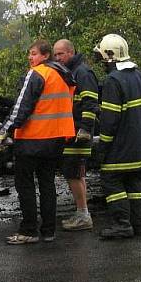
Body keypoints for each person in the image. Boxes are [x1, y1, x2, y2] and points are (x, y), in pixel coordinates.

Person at [0, 40, 75, 244]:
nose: (30, 58)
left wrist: (4, 131)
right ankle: (49, 231)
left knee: (25, 185)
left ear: (45, 55)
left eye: (33, 54)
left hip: (32, 140)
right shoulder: (64, 75)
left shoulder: (37, 73)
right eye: (29, 54)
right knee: (47, 184)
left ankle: (29, 230)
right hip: (55, 140)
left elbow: (21, 107)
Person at [94, 33, 141, 239]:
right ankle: (137, 225)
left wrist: (103, 147)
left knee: (111, 180)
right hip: (140, 145)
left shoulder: (113, 80)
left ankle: (121, 224)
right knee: (133, 182)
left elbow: (110, 120)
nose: (101, 61)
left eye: (102, 56)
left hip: (121, 146)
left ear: (110, 56)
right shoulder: (138, 75)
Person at [52, 39, 99, 231]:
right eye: (55, 55)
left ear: (71, 52)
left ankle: (83, 215)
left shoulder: (82, 72)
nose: (57, 58)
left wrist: (85, 129)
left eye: (60, 54)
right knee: (73, 173)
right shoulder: (69, 72)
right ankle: (81, 212)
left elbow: (90, 102)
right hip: (70, 131)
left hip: (79, 132)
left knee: (74, 173)